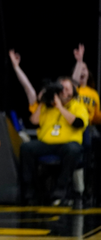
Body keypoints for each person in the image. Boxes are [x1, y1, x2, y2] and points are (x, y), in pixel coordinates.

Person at [21, 77, 89, 205]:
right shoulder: (48, 106)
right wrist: (42, 101)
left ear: (72, 93)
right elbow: (34, 121)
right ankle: (30, 190)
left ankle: (61, 188)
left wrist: (60, 108)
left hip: (67, 144)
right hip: (47, 143)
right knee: (26, 147)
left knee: (73, 150)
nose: (63, 91)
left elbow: (78, 123)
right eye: (60, 88)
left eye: (66, 89)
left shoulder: (78, 106)